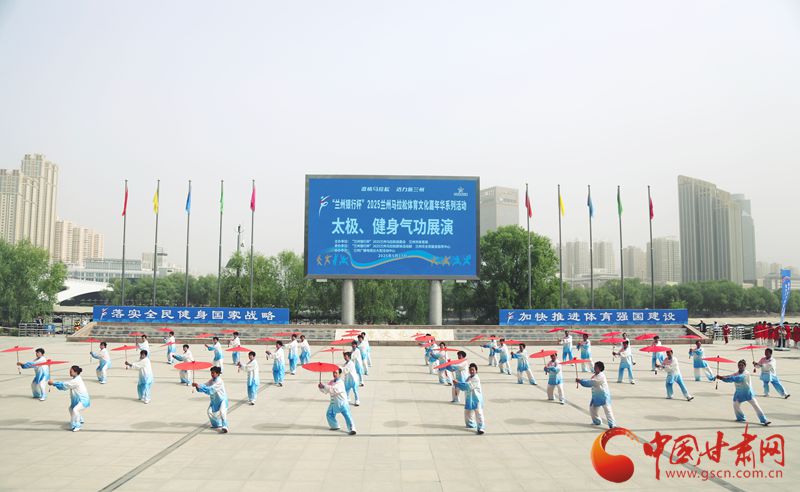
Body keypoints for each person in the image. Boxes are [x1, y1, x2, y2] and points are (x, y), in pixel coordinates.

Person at [717, 360, 770, 426]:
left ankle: (764, 420)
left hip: (748, 393)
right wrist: (721, 377)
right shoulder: (736, 373)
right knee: (736, 405)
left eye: (742, 365)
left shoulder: (746, 373)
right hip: (739, 393)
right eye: (739, 365)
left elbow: (736, 378)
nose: (740, 366)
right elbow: (729, 376)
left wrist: (722, 378)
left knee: (756, 406)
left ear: (745, 366)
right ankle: (740, 418)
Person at [48, 365, 90, 432]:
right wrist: (54, 384)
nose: (69, 372)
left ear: (76, 372)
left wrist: (53, 383)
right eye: (70, 371)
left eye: (71, 371)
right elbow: (66, 385)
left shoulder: (76, 381)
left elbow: (65, 385)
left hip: (83, 400)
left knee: (75, 410)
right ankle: (79, 419)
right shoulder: (76, 379)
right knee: (71, 408)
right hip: (78, 399)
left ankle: (77, 425)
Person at [576, 361, 615, 429]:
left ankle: (612, 424)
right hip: (596, 396)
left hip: (604, 396)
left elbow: (592, 382)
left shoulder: (601, 376)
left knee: (608, 411)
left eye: (596, 367)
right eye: (594, 366)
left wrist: (581, 381)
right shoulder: (595, 375)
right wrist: (581, 381)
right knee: (592, 409)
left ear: (600, 368)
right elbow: (591, 382)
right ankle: (597, 421)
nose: (594, 368)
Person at [318, 368, 356, 435]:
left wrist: (324, 386)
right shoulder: (331, 382)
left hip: (342, 403)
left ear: (340, 374)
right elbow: (326, 391)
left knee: (347, 416)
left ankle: (352, 429)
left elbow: (334, 389)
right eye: (333, 373)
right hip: (333, 403)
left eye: (336, 373)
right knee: (329, 414)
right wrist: (321, 387)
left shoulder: (340, 382)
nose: (334, 374)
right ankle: (335, 426)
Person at [193, 366, 229, 433]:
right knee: (209, 412)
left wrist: (199, 387)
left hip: (222, 400)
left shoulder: (219, 381)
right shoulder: (211, 380)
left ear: (218, 373)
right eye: (211, 373)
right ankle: (217, 424)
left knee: (222, 412)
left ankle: (225, 426)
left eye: (213, 373)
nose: (212, 374)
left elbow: (211, 389)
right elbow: (205, 385)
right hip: (214, 400)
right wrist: (197, 386)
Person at [455, 363, 485, 434]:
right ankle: (471, 424)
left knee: (479, 413)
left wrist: (458, 383)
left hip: (476, 399)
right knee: (468, 413)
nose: (471, 371)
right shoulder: (469, 377)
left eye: (473, 370)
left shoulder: (476, 378)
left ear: (476, 371)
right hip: (469, 398)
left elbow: (468, 386)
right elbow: (464, 385)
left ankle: (481, 428)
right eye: (470, 370)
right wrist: (457, 383)